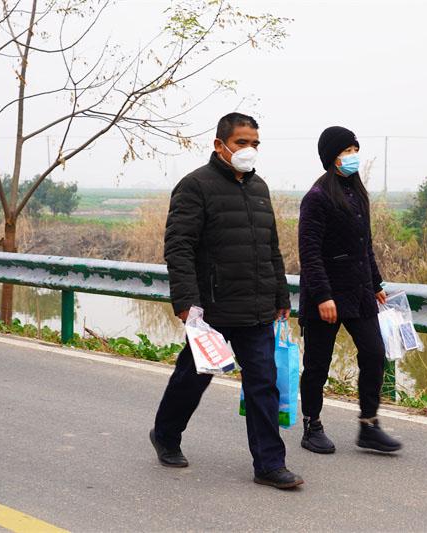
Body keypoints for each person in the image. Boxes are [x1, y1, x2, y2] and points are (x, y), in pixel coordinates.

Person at [150, 112, 304, 490]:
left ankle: (269, 463)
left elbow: (270, 247)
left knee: (263, 383)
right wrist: (187, 302)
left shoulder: (259, 188)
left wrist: (280, 295)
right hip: (212, 309)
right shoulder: (195, 186)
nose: (249, 150)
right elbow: (179, 247)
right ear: (220, 145)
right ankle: (166, 434)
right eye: (241, 142)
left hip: (256, 307)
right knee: (193, 377)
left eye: (254, 143)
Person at [297, 126, 403, 454]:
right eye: (346, 150)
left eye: (355, 148)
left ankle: (369, 425)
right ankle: (312, 424)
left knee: (373, 354)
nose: (353, 155)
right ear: (332, 157)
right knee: (318, 363)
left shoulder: (358, 193)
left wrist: (376, 284)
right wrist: (323, 296)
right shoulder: (316, 197)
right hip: (325, 295)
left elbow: (364, 246)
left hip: (358, 292)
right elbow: (310, 252)